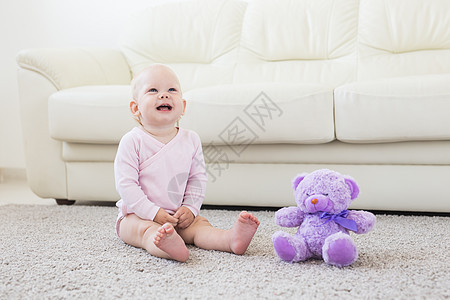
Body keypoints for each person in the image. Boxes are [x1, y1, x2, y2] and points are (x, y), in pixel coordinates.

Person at [114, 64, 260, 262]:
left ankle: (229, 239)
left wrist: (190, 209)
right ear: (135, 107)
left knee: (200, 226)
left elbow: (197, 178)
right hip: (138, 215)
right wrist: (153, 213)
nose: (164, 95)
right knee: (146, 231)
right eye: (153, 90)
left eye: (171, 90)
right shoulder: (132, 141)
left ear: (183, 106)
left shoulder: (191, 139)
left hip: (178, 215)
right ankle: (168, 247)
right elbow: (126, 185)